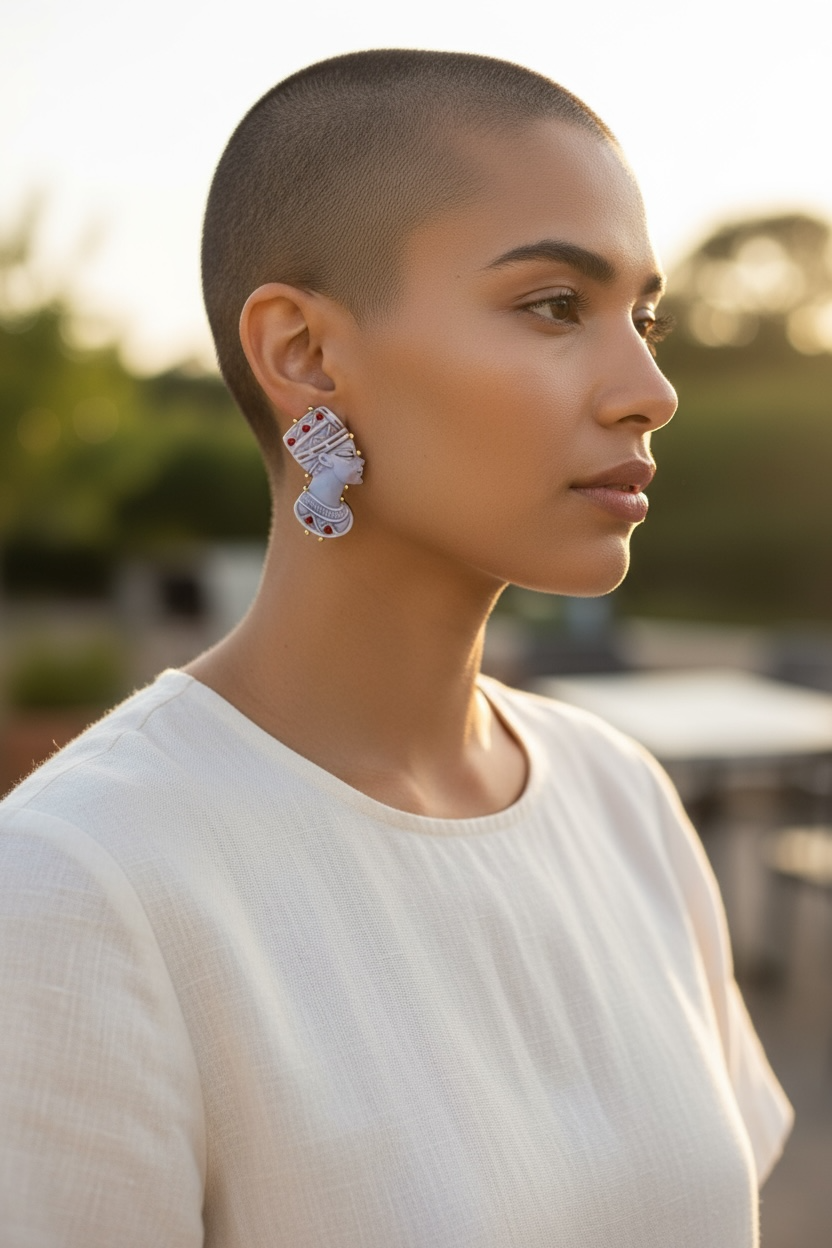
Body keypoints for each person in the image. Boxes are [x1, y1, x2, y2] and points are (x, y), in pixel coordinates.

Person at [0, 49, 792, 1247]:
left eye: (645, 317)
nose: (651, 389)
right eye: (553, 305)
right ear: (304, 354)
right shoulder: (81, 891)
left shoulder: (621, 797)